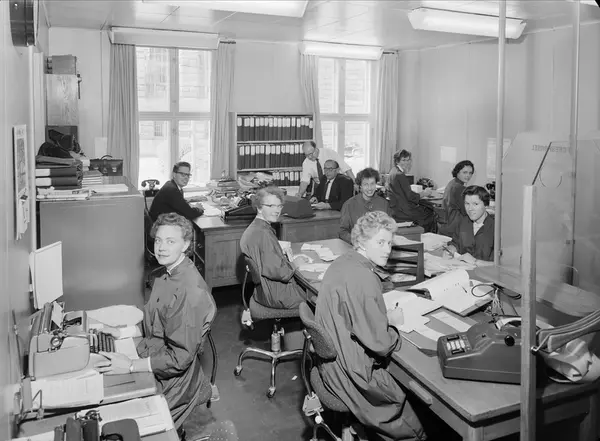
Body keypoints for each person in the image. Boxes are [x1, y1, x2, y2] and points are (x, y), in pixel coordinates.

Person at [95, 213, 217, 435]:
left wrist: (131, 366)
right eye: (158, 240)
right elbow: (154, 321)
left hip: (175, 382)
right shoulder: (164, 274)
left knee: (121, 425)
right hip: (154, 354)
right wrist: (121, 332)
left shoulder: (190, 292)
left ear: (186, 245)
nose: (161, 248)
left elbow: (179, 359)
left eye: (170, 241)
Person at [315, 211, 426, 441]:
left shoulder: (345, 261)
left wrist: (382, 317)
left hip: (331, 364)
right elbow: (381, 344)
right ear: (362, 242)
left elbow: (355, 313)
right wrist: (393, 328)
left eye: (389, 243)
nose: (387, 250)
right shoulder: (364, 277)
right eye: (380, 242)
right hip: (352, 374)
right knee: (415, 428)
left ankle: (357, 427)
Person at [240, 187, 309, 309]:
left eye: (279, 206)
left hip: (263, 292)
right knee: (319, 299)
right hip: (277, 295)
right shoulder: (263, 234)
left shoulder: (256, 228)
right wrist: (295, 263)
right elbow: (280, 273)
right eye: (271, 206)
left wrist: (278, 251)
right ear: (259, 208)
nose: (277, 210)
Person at [339, 167, 393, 244]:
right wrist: (357, 241)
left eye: (372, 184)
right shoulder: (349, 205)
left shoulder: (384, 204)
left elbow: (390, 228)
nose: (369, 188)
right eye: (365, 184)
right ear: (360, 186)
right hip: (357, 246)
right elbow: (342, 232)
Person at [388, 149, 436, 233]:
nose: (407, 162)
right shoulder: (400, 175)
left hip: (396, 208)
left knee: (426, 207)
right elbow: (410, 196)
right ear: (397, 161)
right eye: (404, 160)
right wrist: (424, 193)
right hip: (404, 211)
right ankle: (425, 235)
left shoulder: (393, 171)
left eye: (408, 160)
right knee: (430, 212)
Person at [445, 185, 494, 264]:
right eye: (467, 203)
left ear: (486, 205)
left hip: (483, 271)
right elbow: (455, 243)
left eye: (475, 204)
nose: (470, 208)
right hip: (461, 268)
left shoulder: (496, 228)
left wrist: (475, 262)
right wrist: (450, 250)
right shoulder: (463, 221)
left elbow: (502, 265)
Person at [439, 160, 474, 236]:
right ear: (457, 172)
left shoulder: (452, 182)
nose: (468, 175)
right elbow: (465, 211)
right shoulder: (459, 188)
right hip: (456, 227)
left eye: (470, 173)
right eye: (465, 172)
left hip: (447, 223)